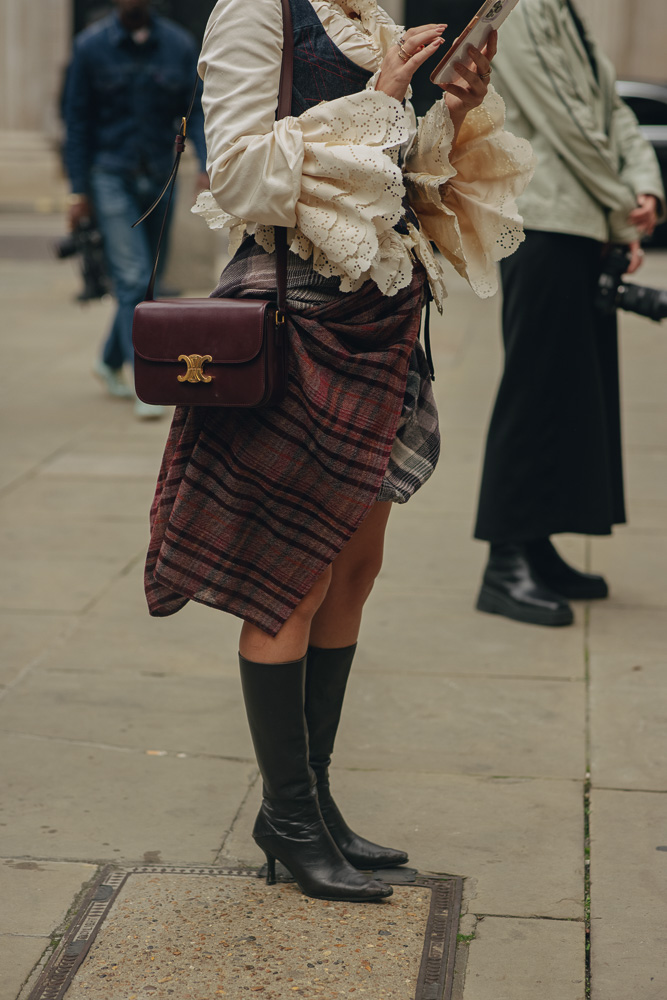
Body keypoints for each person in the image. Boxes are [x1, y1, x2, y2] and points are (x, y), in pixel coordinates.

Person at [145, 0, 534, 902]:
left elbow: (402, 179)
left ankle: (310, 802)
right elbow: (239, 176)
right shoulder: (255, 11)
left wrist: (445, 108)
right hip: (294, 322)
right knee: (294, 577)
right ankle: (284, 815)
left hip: (379, 316)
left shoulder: (376, 13)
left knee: (356, 569)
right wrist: (380, 94)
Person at [473, 0, 665, 627]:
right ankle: (504, 564)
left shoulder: (567, 12)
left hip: (581, 226)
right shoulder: (519, 10)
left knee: (573, 395)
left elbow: (613, 111)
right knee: (535, 393)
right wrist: (622, 205)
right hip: (544, 224)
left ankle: (537, 544)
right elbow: (566, 124)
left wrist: (645, 188)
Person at [63, 0, 208, 419]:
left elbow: (193, 109)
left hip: (161, 174)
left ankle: (107, 360)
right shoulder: (91, 47)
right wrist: (77, 192)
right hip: (110, 175)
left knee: (148, 280)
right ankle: (145, 378)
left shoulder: (179, 45)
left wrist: (205, 160)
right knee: (131, 278)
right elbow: (77, 122)